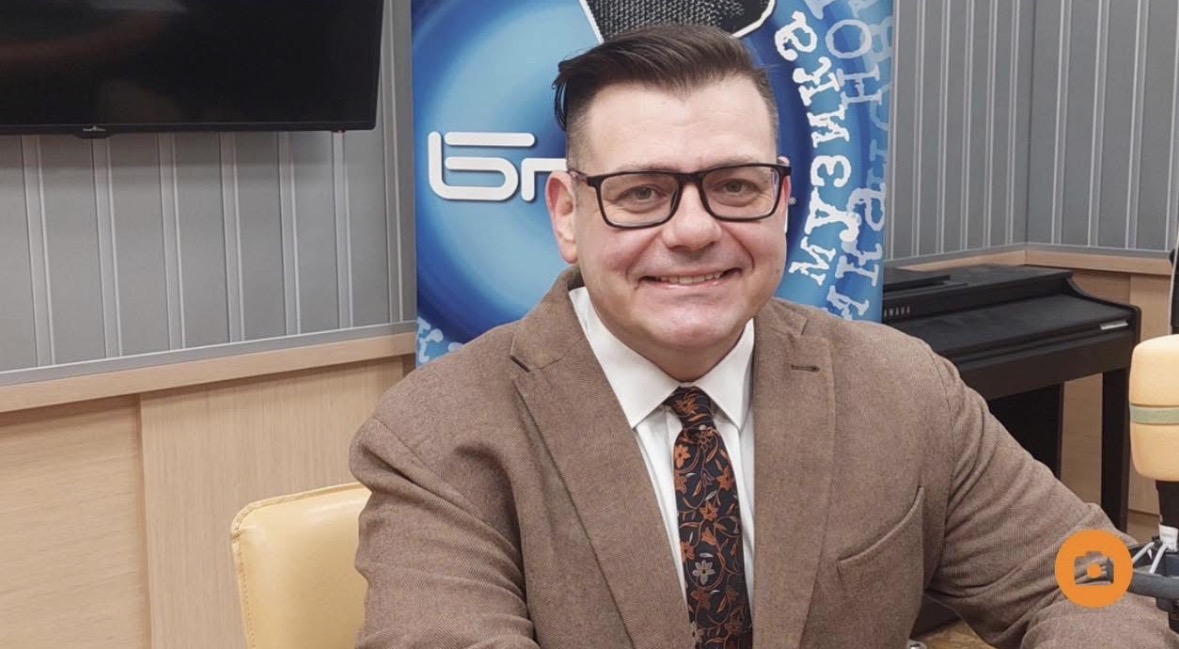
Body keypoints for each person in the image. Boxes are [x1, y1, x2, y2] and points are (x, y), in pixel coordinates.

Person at [351, 23, 1176, 648]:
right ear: (569, 214)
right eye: (640, 193)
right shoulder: (439, 431)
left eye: (735, 186)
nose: (693, 230)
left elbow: (1089, 576)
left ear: (782, 199)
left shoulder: (904, 389)